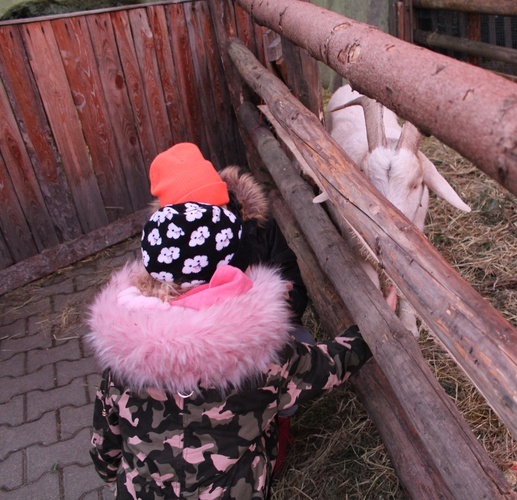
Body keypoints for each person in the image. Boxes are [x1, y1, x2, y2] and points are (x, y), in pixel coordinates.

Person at [86, 200, 373, 498]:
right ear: (227, 274)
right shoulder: (257, 354)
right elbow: (325, 368)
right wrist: (366, 335)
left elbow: (106, 431)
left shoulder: (126, 354)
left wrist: (107, 472)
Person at [148, 142, 310, 335]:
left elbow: (295, 287)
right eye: (201, 214)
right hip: (215, 345)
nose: (215, 221)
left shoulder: (258, 226)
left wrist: (283, 300)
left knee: (303, 341)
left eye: (218, 207)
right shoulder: (168, 255)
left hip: (276, 331)